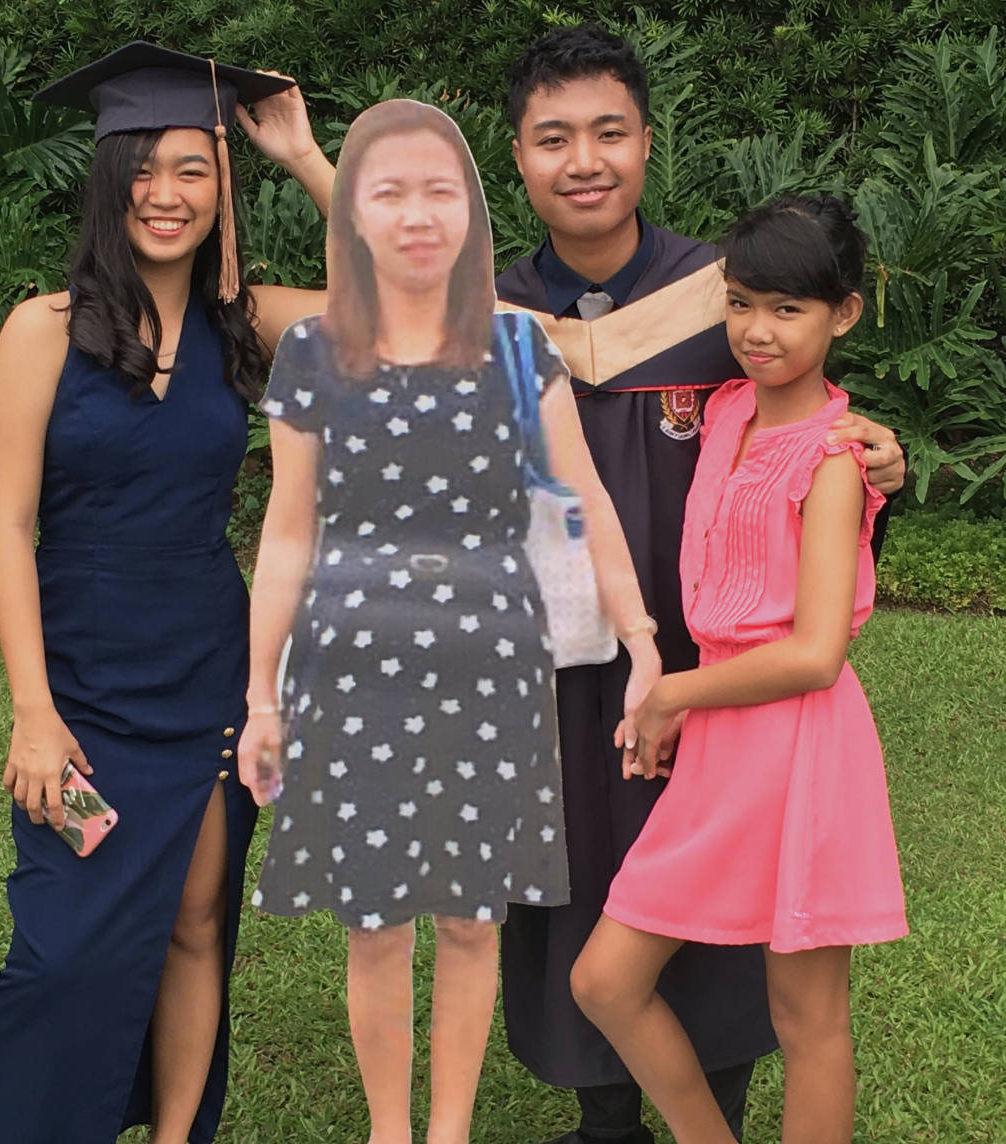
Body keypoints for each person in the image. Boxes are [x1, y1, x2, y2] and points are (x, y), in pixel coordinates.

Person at [492, 26, 907, 1144]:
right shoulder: (488, 312)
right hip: (553, 668)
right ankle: (605, 1119)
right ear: (518, 155)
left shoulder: (713, 294)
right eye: (554, 138)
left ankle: (716, 1108)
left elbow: (815, 423)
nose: (585, 161)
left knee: (730, 927)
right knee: (581, 892)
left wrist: (885, 460)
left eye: (610, 132)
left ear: (646, 141)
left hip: (716, 685)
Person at [237, 99, 662, 1144]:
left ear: (472, 208)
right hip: (350, 674)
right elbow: (286, 534)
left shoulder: (519, 345)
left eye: (441, 190)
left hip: (492, 673)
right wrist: (260, 696)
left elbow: (588, 498)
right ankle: (392, 1130)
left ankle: (449, 1131)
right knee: (375, 926)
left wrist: (643, 639)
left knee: (474, 920)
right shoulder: (312, 351)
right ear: (355, 214)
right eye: (388, 192)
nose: (418, 214)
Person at [0, 42, 335, 1144]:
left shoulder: (243, 321)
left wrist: (306, 159)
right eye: (142, 168)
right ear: (107, 179)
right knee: (61, 949)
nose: (165, 194)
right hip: (81, 688)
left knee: (196, 923)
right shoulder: (42, 331)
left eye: (193, 169)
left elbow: (410, 304)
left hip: (207, 673)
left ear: (223, 188)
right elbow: (6, 526)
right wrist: (33, 710)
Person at [571, 193, 908, 1144]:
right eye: (742, 304)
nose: (758, 331)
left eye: (788, 309)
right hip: (723, 740)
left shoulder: (836, 458)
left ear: (844, 313)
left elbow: (815, 654)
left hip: (798, 744)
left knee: (808, 1016)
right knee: (605, 980)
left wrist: (673, 692)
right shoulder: (722, 413)